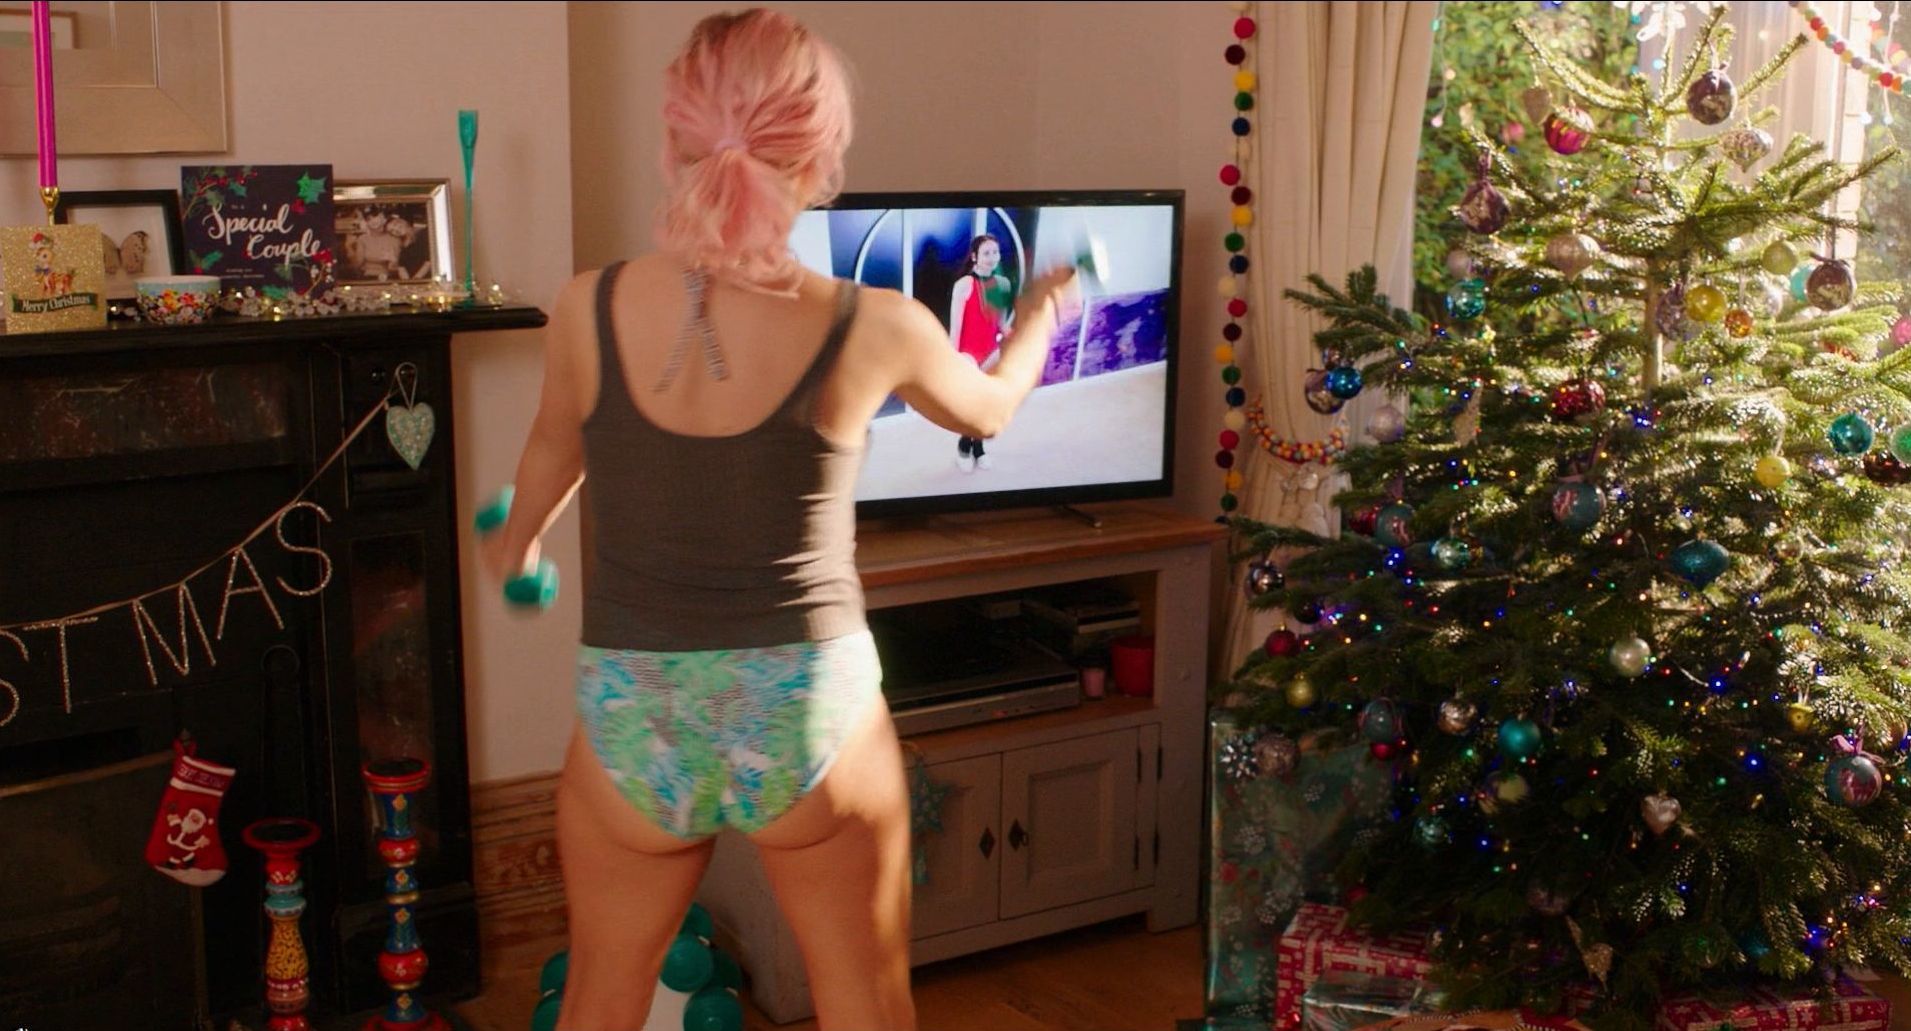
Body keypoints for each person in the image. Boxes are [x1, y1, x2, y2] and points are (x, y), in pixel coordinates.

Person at [480, 10, 1079, 1031]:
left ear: (673, 142)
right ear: (818, 158)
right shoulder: (878, 323)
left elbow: (550, 453)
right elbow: (987, 410)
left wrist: (516, 544)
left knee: (598, 1001)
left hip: (637, 715)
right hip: (807, 713)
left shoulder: (586, 305)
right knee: (866, 1004)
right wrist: (1036, 323)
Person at [947, 233, 1013, 472]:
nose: (992, 257)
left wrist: (1014, 333)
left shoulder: (1003, 284)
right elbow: (955, 328)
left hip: (991, 352)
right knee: (972, 406)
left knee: (985, 405)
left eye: (995, 252)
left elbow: (1001, 323)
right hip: (967, 355)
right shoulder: (964, 285)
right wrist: (952, 361)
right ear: (975, 257)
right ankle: (964, 448)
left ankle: (978, 448)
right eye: (986, 253)